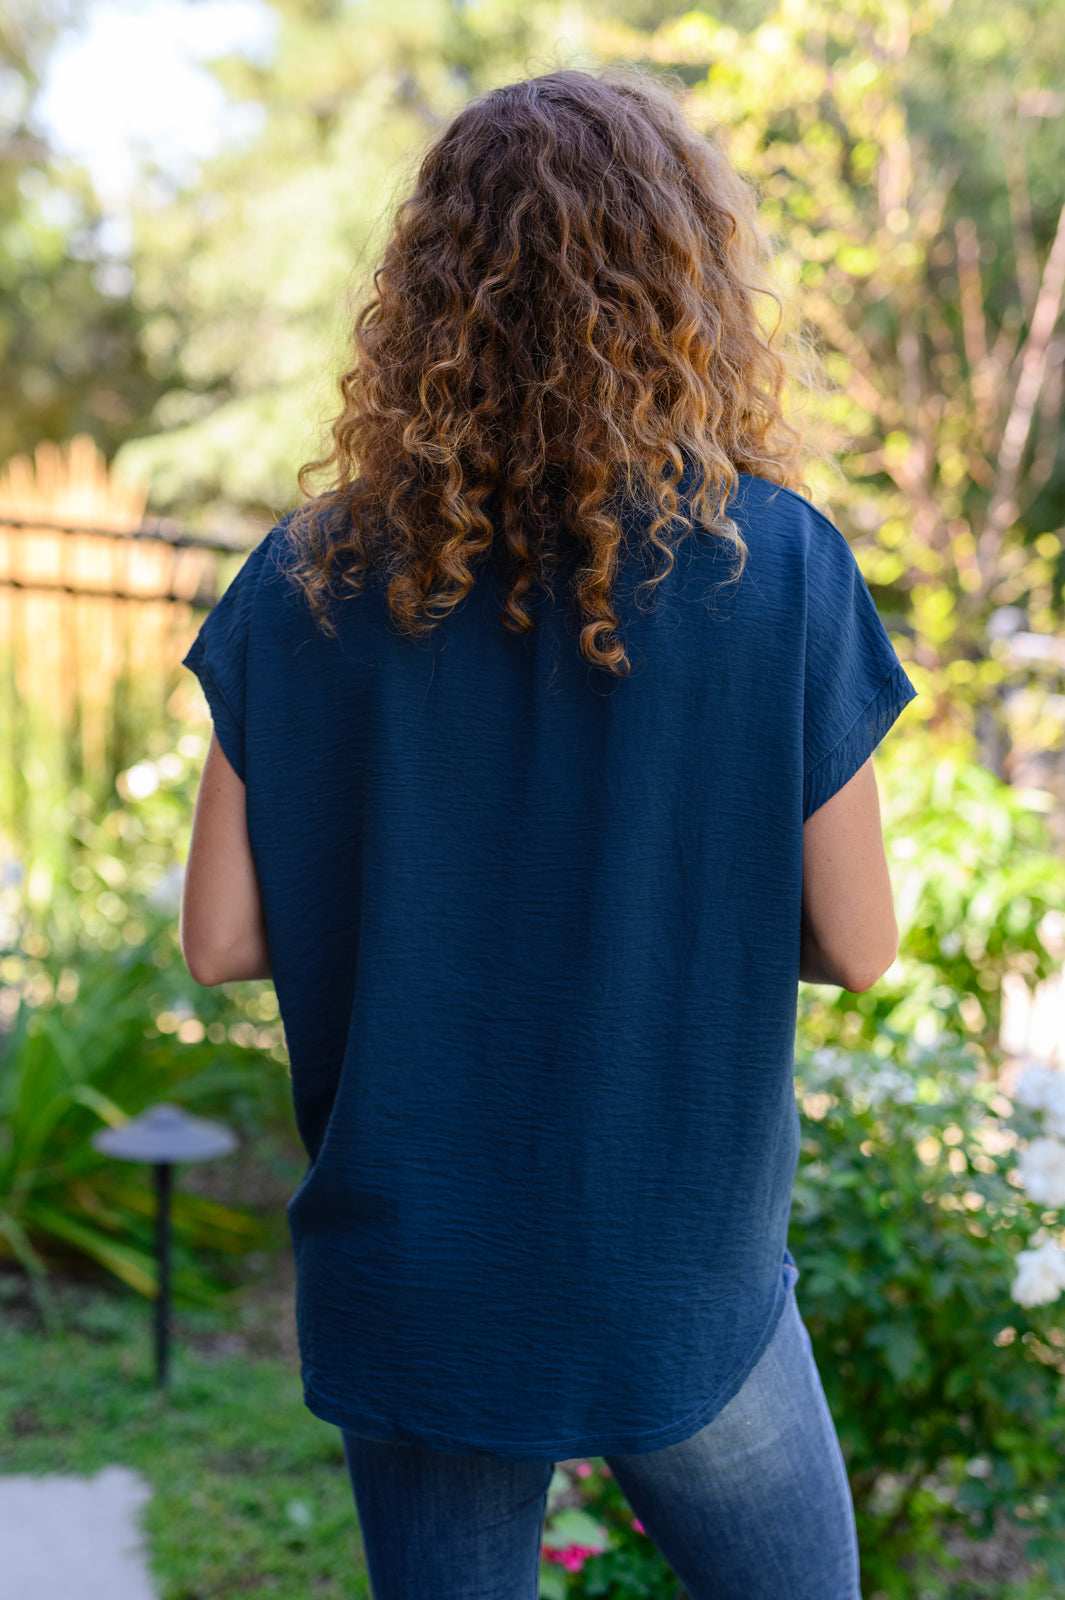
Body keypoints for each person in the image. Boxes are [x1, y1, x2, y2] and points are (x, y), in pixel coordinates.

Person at [179, 64, 916, 1600]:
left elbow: (222, 937)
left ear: (427, 295)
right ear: (683, 282)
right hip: (678, 1268)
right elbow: (856, 942)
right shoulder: (774, 571)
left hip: (423, 1265)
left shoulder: (306, 580)